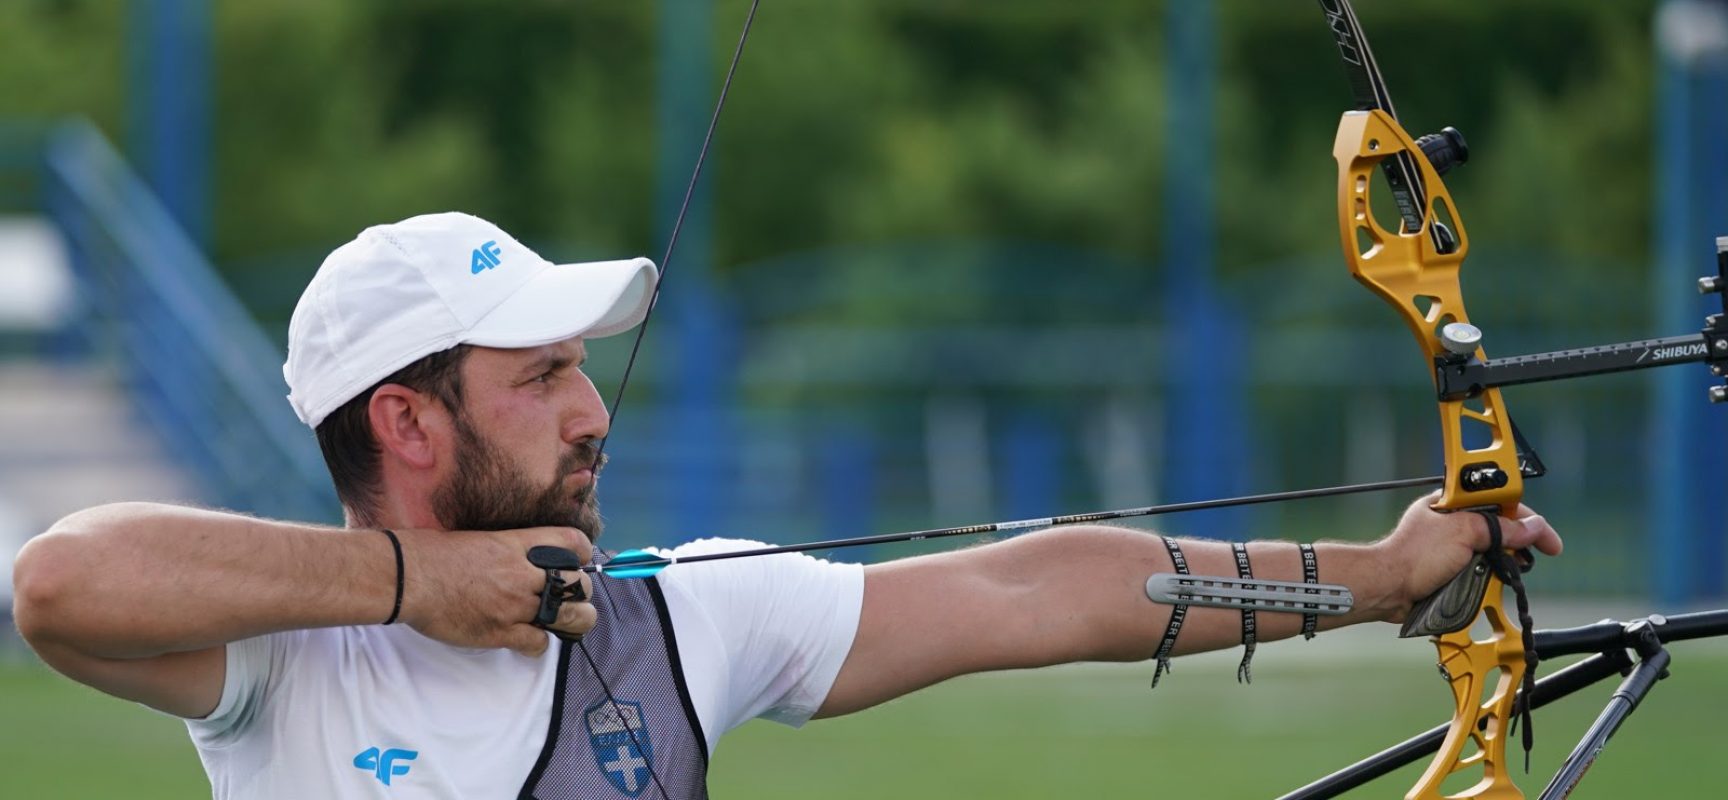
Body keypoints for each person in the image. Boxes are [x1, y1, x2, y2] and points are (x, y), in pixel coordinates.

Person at [11, 212, 1563, 798]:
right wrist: (417, 591)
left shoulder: (683, 623)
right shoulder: (282, 666)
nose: (593, 411)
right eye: (543, 375)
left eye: (587, 370)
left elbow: (1044, 591)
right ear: (407, 423)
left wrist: (1377, 573)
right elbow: (61, 585)